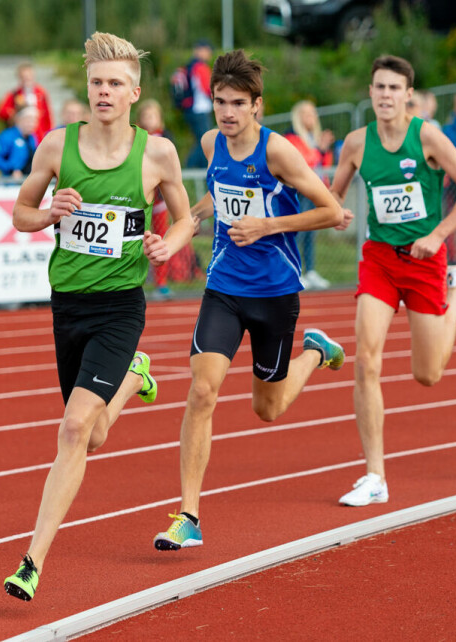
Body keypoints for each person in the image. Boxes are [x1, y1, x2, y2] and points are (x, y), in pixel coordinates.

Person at [2, 32, 194, 601]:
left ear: (134, 92)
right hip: (69, 305)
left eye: (114, 83)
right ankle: (136, 378)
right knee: (95, 435)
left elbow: (184, 218)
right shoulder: (57, 147)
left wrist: (168, 242)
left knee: (72, 428)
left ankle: (31, 561)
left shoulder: (157, 153)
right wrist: (47, 213)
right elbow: (20, 212)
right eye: (96, 83)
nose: (104, 92)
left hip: (119, 307)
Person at [152, 49, 345, 550]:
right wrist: (185, 224)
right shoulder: (212, 141)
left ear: (257, 105)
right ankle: (188, 515)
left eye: (238, 103)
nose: (227, 112)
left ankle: (316, 351)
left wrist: (269, 224)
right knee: (202, 391)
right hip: (224, 288)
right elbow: (215, 196)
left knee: (269, 408)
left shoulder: (278, 152)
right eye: (220, 101)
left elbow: (331, 211)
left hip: (275, 293)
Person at [328, 55, 456, 506]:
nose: (385, 96)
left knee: (428, 374)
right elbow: (334, 193)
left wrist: (437, 235)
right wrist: (334, 210)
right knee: (367, 360)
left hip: (424, 261)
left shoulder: (429, 137)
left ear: (408, 96)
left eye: (393, 89)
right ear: (371, 91)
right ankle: (374, 475)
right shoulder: (357, 143)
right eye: (378, 87)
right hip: (379, 259)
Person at [136, 98, 197, 298]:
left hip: (161, 199)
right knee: (137, 240)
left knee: (161, 240)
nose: (149, 119)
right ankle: (137, 280)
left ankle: (161, 283)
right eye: (146, 116)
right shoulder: (135, 137)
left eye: (153, 116)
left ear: (159, 119)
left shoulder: (165, 140)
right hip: (139, 198)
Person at [286, 99, 335, 290]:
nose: (312, 117)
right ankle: (294, 271)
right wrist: (319, 149)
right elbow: (302, 163)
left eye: (313, 113)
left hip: (315, 190)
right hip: (299, 191)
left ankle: (311, 270)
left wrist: (323, 150)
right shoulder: (292, 137)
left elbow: (323, 164)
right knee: (298, 231)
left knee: (311, 233)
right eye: (307, 113)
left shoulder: (312, 137)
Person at [0, 62, 53, 142]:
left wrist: (49, 134)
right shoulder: (14, 94)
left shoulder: (41, 93)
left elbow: (47, 116)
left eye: (29, 77)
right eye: (23, 77)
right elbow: (1, 112)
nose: (27, 79)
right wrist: (15, 113)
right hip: (21, 135)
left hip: (38, 134)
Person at [181, 40, 214, 168]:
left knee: (201, 141)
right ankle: (190, 169)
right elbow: (208, 88)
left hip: (191, 109)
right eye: (208, 50)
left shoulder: (189, 66)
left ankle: (195, 170)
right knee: (204, 141)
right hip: (200, 110)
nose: (210, 54)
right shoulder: (200, 67)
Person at [0, 106, 38, 178]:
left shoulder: (32, 138)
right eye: (28, 120)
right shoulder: (8, 136)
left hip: (28, 181)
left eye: (34, 121)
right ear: (19, 120)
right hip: (10, 184)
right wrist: (10, 169)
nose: (31, 124)